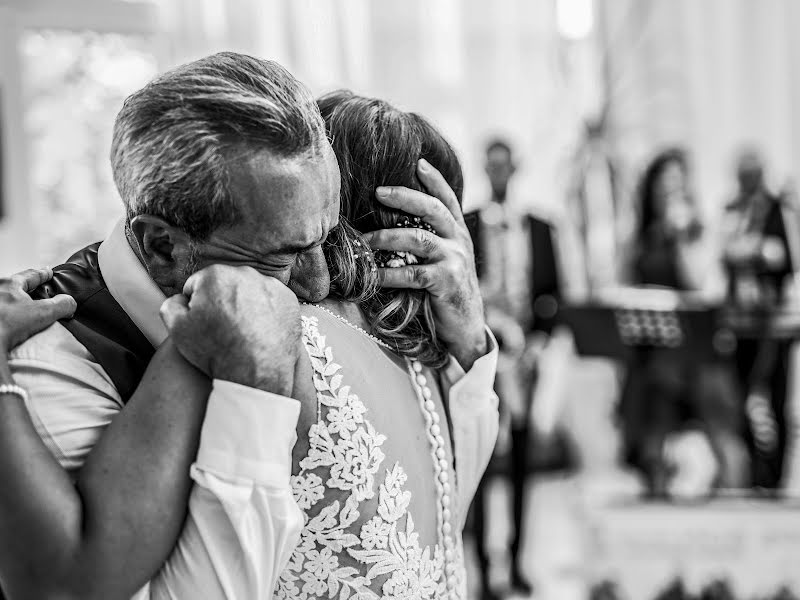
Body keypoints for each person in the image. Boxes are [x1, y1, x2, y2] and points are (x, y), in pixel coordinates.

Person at [1, 53, 495, 599]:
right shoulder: (51, 356)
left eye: (327, 237)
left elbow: (437, 530)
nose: (320, 282)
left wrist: (470, 339)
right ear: (163, 246)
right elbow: (72, 585)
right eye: (283, 254)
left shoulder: (324, 325)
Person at [619, 148, 748, 497]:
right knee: (652, 436)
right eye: (664, 183)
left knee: (723, 434)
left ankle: (735, 505)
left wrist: (681, 238)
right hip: (658, 354)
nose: (670, 190)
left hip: (701, 352)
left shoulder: (699, 232)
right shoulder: (644, 238)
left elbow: (702, 286)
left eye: (677, 182)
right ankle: (659, 508)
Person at [466, 139, 563, 599]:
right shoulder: (468, 224)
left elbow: (554, 295)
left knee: (524, 463)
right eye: (492, 165)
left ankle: (519, 558)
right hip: (484, 356)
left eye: (506, 165)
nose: (499, 172)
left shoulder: (541, 228)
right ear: (485, 169)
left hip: (526, 361)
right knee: (482, 458)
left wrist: (538, 343)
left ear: (516, 168)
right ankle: (483, 567)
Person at [723, 148, 795, 488]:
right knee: (744, 400)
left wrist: (753, 251)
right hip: (740, 323)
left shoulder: (778, 209)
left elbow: (783, 255)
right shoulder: (733, 211)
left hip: (774, 323)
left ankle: (775, 477)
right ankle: (754, 472)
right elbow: (723, 251)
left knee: (774, 401)